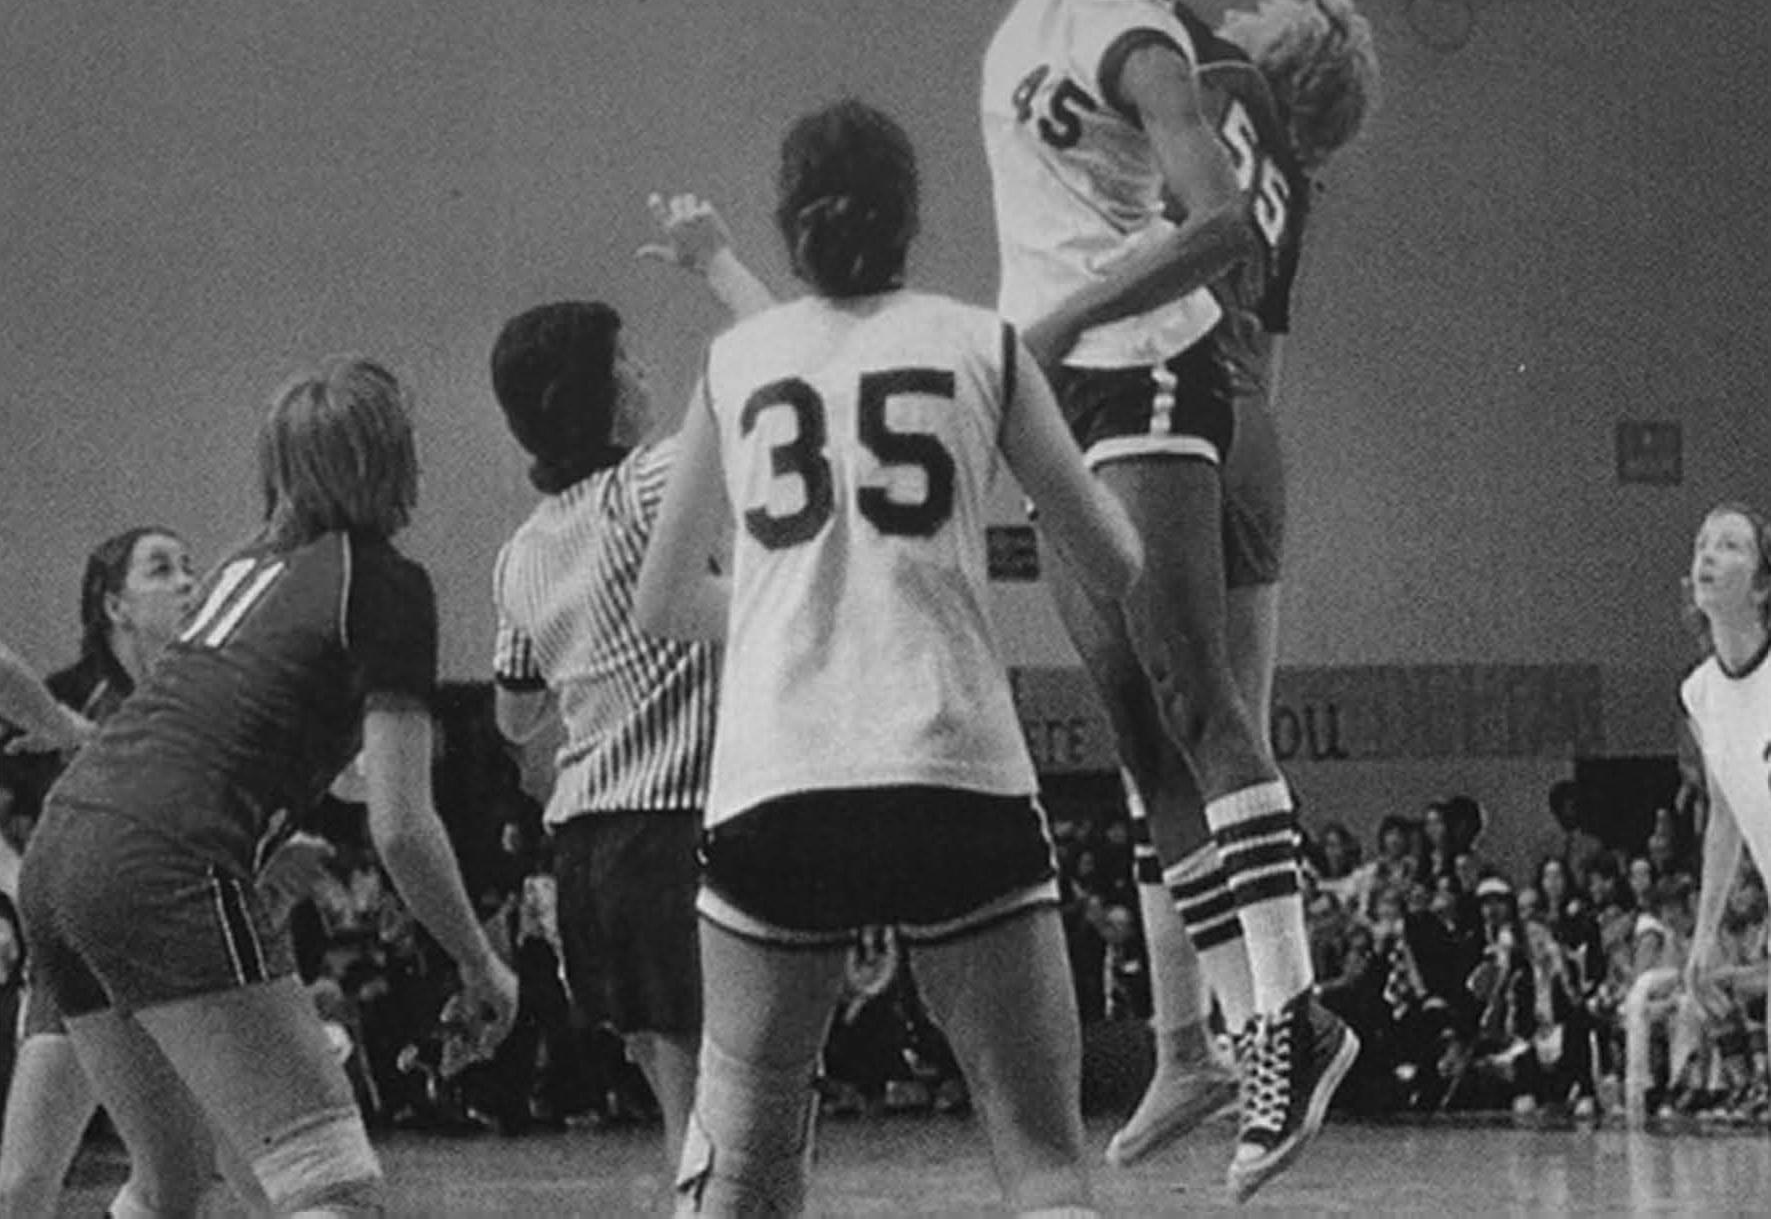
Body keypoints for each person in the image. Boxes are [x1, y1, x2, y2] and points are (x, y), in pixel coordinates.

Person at [981, 0, 1369, 1200]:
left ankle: (1288, 1029)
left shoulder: (1148, 42)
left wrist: (1057, 328)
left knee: (1205, 711)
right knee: (1137, 744)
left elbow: (1216, 234)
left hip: (1143, 381)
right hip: (1072, 401)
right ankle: (1225, 1034)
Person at [635, 98, 1143, 1219]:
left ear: (786, 222)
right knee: (1042, 1163)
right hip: (953, 767)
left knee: (744, 1169)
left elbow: (664, 599)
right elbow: (1111, 561)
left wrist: (786, 602)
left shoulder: (735, 362)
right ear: (914, 217)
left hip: (778, 782)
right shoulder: (982, 343)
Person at [17, 360, 517, 1219]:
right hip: (163, 860)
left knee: (170, 1179)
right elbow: (401, 825)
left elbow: (228, 730)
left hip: (62, 852)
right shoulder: (385, 583)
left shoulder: (245, 564)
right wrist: (479, 961)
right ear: (387, 457)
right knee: (334, 1188)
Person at [488, 266, 767, 1178]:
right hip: (676, 830)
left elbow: (515, 710)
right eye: (628, 361)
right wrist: (720, 266)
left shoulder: (517, 553)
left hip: (586, 855)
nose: (645, 375)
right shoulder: (652, 483)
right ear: (595, 396)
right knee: (720, 1115)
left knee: (678, 1108)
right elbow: (770, 377)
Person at [0, 530, 205, 1219]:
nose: (185, 582)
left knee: (182, 1175)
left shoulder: (203, 699)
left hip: (175, 951)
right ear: (114, 603)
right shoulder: (67, 698)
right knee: (22, 1183)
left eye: (188, 568)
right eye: (162, 569)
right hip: (79, 956)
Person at [1678, 502, 1771, 1126]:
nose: (1709, 554)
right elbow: (1724, 817)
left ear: (1765, 583)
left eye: (1731, 545)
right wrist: (1704, 934)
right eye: (1704, 543)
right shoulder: (1700, 692)